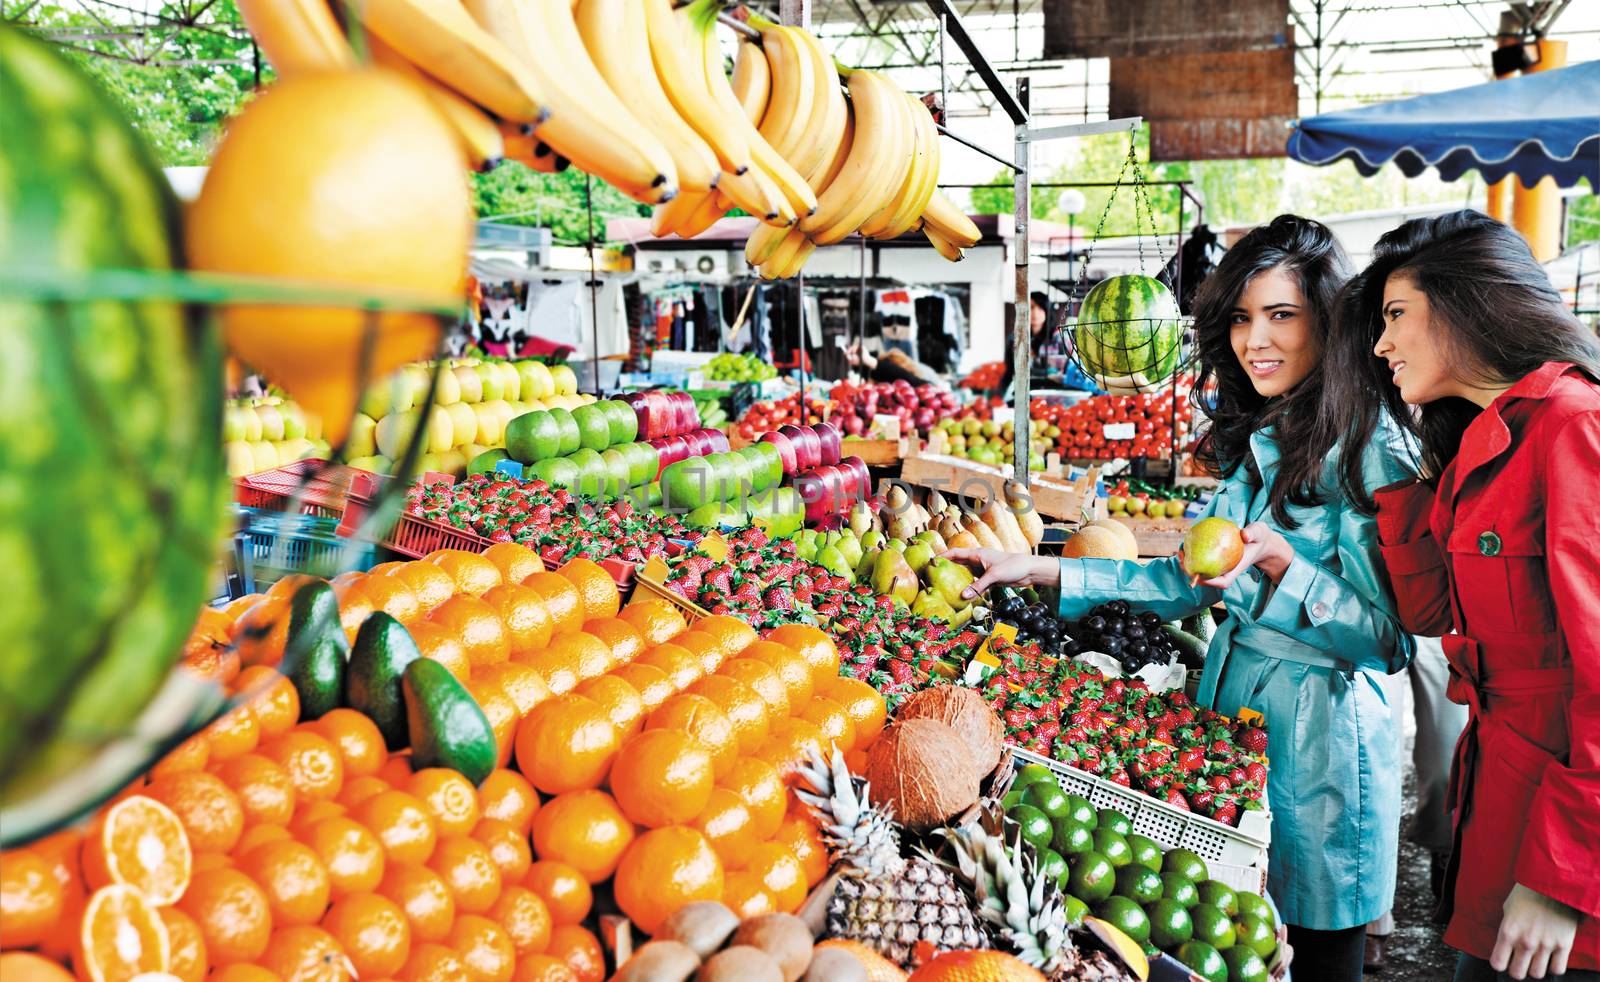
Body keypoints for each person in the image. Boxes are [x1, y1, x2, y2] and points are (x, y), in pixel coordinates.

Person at [944, 215, 1417, 982]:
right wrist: (1039, 567)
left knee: (1317, 947)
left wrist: (1284, 568)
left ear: (1328, 323)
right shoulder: (1262, 437)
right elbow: (1177, 582)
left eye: (1281, 316)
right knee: (1235, 942)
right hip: (1234, 722)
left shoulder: (1372, 451)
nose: (1253, 341)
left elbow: (1392, 642)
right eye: (1240, 318)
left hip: (1324, 741)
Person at [1349, 210, 1600, 982]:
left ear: (1467, 305)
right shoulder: (1481, 436)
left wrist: (1564, 877)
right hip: (1499, 794)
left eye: (1396, 315)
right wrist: (1391, 473)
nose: (1381, 344)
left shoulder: (1573, 427)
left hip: (1568, 838)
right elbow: (1428, 614)